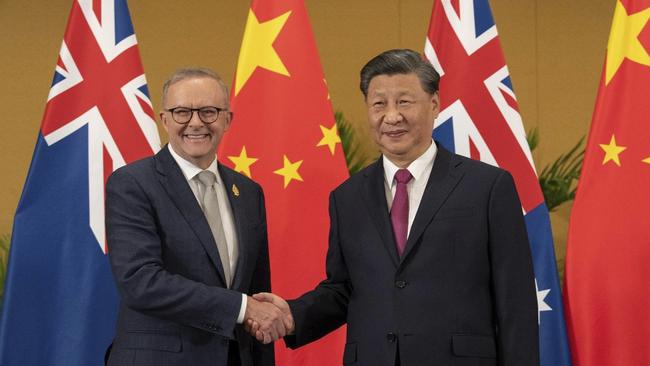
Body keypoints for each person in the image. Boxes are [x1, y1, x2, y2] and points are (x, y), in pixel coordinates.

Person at [250, 49, 540, 365]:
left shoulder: (487, 187)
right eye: (379, 104)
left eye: (404, 102)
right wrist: (294, 316)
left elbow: (515, 302)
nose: (391, 116)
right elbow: (344, 289)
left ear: (434, 104)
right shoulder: (347, 196)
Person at [105, 68, 289, 366]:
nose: (195, 122)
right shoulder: (132, 183)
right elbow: (140, 281)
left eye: (209, 111)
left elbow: (257, 292)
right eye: (182, 112)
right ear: (164, 119)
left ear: (227, 120)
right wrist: (242, 307)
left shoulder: (248, 191)